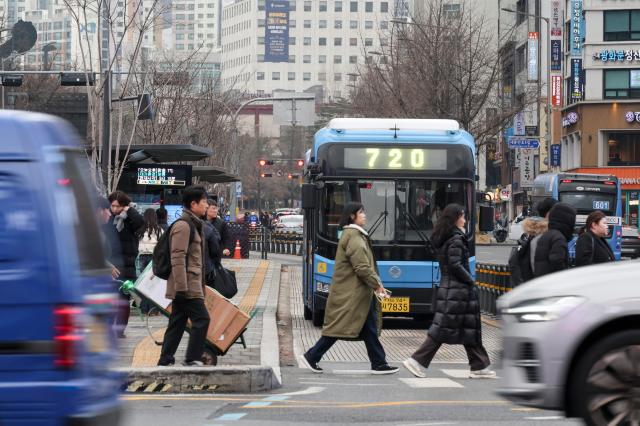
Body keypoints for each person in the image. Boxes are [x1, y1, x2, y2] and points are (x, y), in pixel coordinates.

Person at [300, 202, 399, 375]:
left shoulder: (354, 235)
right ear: (352, 216)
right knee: (338, 328)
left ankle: (379, 363)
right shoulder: (354, 237)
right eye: (361, 213)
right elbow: (361, 267)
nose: (365, 216)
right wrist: (377, 284)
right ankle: (312, 356)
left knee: (368, 328)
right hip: (352, 294)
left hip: (359, 294)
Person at [403, 204, 496, 379]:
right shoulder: (456, 240)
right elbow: (455, 265)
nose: (465, 220)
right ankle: (416, 361)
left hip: (452, 291)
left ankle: (479, 366)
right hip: (457, 292)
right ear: (455, 218)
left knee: (469, 329)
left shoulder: (448, 238)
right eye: (462, 216)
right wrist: (470, 280)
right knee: (441, 331)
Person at [158, 186, 211, 367]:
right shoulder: (183, 226)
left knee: (178, 322)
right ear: (193, 204)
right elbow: (177, 257)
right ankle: (192, 357)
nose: (207, 205)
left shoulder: (194, 224)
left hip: (189, 282)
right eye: (204, 202)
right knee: (202, 319)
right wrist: (181, 287)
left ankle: (165, 359)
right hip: (187, 285)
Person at [108, 190, 144, 338]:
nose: (115, 209)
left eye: (118, 206)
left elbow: (140, 223)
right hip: (111, 263)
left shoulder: (130, 218)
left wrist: (130, 210)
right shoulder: (108, 218)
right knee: (110, 298)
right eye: (113, 206)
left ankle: (119, 330)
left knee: (123, 299)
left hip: (127, 264)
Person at [533, 202, 577, 278]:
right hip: (553, 284)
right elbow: (557, 264)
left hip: (542, 281)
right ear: (567, 220)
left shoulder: (548, 235)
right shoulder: (559, 238)